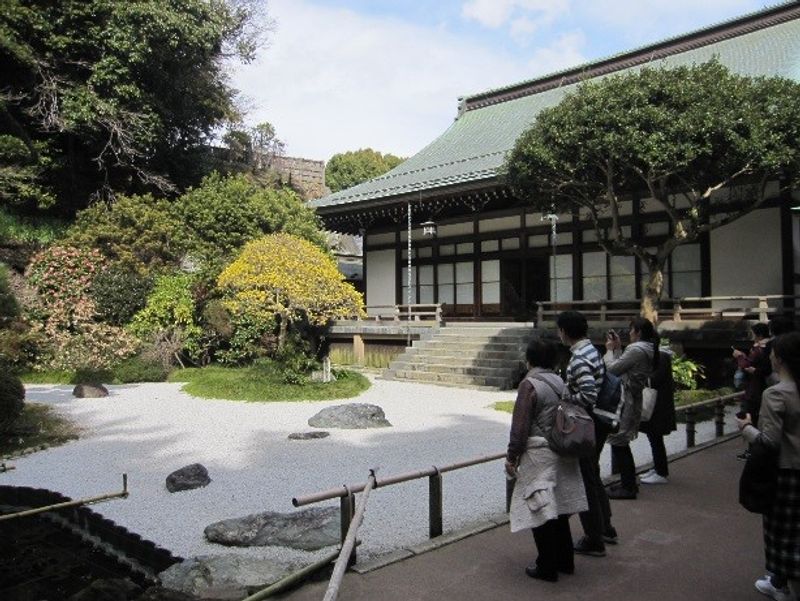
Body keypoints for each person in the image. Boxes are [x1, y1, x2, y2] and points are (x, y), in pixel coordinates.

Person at [505, 338, 588, 582]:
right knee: (559, 510)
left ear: (529, 359)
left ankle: (546, 565)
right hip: (562, 449)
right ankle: (565, 560)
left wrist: (512, 455)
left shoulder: (529, 385)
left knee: (540, 509)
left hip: (539, 453)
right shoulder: (560, 382)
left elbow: (519, 427)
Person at [737, 331, 800, 601]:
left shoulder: (776, 394)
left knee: (781, 532)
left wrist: (747, 428)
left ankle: (781, 583)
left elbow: (770, 441)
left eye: (772, 353)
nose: (769, 357)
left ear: (780, 359)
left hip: (784, 471)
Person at [556, 310, 615, 557]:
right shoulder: (592, 350)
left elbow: (588, 394)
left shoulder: (579, 357)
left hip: (586, 423)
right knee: (592, 474)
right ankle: (605, 527)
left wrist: (567, 397)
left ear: (564, 332)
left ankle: (594, 537)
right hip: (599, 422)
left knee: (586, 479)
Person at [603, 316, 659, 499]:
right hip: (634, 397)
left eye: (631, 330)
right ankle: (628, 482)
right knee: (621, 442)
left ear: (639, 332)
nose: (629, 333)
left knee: (619, 441)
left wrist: (610, 351)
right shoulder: (648, 348)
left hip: (626, 399)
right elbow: (624, 366)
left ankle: (628, 487)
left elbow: (612, 370)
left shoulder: (636, 349)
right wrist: (619, 348)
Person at [638, 343, 676, 485]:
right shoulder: (660, 356)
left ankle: (661, 472)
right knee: (654, 438)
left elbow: (653, 380)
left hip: (658, 405)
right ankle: (658, 468)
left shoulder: (661, 357)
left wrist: (638, 375)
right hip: (657, 404)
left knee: (656, 437)